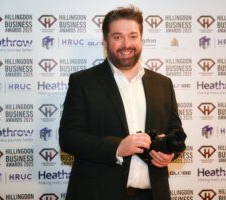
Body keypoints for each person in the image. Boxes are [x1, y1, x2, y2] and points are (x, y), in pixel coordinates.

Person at [59, 5, 186, 200]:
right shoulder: (83, 82)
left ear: (141, 39)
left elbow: (175, 134)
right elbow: (69, 138)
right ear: (105, 41)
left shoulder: (163, 84)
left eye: (133, 36)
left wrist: (170, 153)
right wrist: (117, 147)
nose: (126, 44)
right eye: (117, 37)